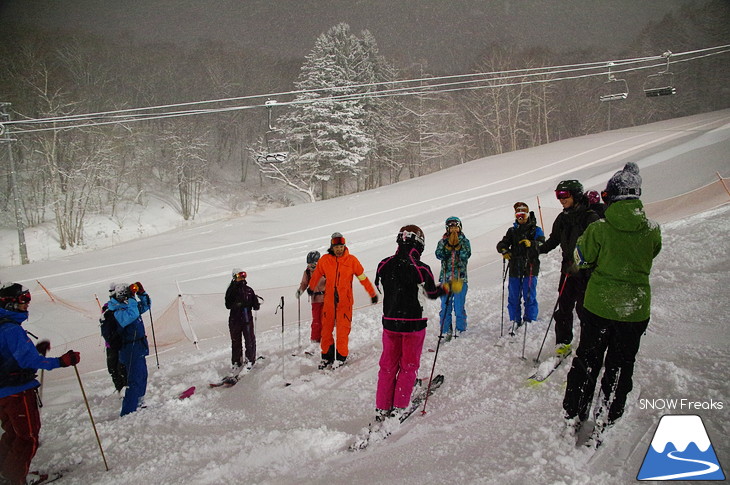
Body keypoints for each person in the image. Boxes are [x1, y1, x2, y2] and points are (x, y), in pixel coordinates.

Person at [562, 162, 661, 448]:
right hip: (635, 309)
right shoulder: (651, 229)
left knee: (588, 360)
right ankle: (608, 413)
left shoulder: (599, 229)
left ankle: (574, 411)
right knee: (621, 363)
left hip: (599, 306)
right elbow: (652, 253)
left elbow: (581, 259)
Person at [0, 283, 80, 485]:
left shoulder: (4, 325)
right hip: (16, 392)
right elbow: (27, 361)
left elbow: (12, 356)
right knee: (28, 437)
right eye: (22, 301)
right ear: (9, 303)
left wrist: (35, 350)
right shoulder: (10, 329)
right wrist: (61, 361)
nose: (27, 304)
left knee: (13, 434)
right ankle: (15, 479)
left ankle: (7, 472)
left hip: (5, 391)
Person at [373, 225, 451, 422]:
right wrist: (447, 288)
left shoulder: (384, 264)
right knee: (408, 365)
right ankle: (399, 405)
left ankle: (382, 407)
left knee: (388, 365)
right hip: (414, 324)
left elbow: (382, 286)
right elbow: (431, 293)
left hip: (390, 321)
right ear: (420, 244)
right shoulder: (421, 268)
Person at [538, 180, 600, 356]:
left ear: (576, 195)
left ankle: (590, 345)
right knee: (564, 307)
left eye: (564, 195)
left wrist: (583, 263)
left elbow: (597, 247)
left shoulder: (590, 217)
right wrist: (537, 249)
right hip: (567, 271)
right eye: (558, 195)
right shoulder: (563, 218)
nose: (561, 199)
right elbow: (553, 240)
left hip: (586, 273)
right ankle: (563, 343)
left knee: (584, 310)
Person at [308, 232, 378, 369]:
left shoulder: (352, 260)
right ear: (332, 247)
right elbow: (317, 274)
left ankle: (341, 357)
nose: (339, 249)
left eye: (341, 246)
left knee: (342, 330)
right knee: (326, 330)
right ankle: (326, 357)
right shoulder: (325, 260)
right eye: (336, 247)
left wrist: (372, 293)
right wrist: (311, 287)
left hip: (344, 302)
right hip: (328, 302)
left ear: (344, 246)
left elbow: (362, 277)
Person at [496, 202, 545, 332]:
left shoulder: (535, 230)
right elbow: (502, 243)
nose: (520, 217)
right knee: (513, 296)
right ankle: (514, 320)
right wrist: (504, 250)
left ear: (527, 214)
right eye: (518, 214)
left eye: (523, 214)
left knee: (529, 296)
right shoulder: (512, 231)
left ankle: (530, 320)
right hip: (515, 268)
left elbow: (542, 244)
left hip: (530, 267)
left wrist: (532, 244)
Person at [107, 282, 151, 417]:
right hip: (129, 348)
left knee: (142, 375)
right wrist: (132, 298)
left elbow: (145, 306)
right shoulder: (115, 310)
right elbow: (131, 315)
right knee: (133, 379)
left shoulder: (128, 306)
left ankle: (139, 402)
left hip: (139, 345)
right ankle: (128, 411)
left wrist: (141, 294)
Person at [435, 216, 471, 339]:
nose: (453, 230)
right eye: (451, 228)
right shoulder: (442, 241)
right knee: (445, 306)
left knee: (459, 306)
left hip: (460, 279)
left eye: (455, 227)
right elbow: (439, 255)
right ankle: (445, 329)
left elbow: (466, 255)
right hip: (446, 278)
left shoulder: (465, 241)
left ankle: (461, 329)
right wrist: (447, 247)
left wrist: (458, 246)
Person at [225, 269, 261, 372]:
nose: (242, 278)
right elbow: (228, 304)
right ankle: (236, 362)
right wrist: (238, 304)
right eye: (240, 276)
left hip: (246, 319)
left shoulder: (249, 290)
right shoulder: (231, 290)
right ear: (234, 277)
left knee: (249, 339)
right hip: (235, 319)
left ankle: (250, 360)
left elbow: (254, 304)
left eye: (243, 276)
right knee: (236, 341)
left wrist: (256, 304)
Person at [101, 282, 127, 393]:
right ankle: (120, 389)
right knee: (113, 368)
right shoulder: (107, 308)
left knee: (121, 367)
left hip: (122, 343)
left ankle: (125, 389)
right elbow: (105, 326)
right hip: (111, 344)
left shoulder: (125, 306)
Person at [295, 251, 325, 344]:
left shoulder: (325, 269)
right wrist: (300, 290)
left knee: (326, 319)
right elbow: (304, 283)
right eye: (309, 264)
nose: (311, 266)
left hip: (326, 298)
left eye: (313, 263)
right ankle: (315, 339)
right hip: (315, 300)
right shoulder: (307, 272)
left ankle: (326, 338)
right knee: (316, 320)